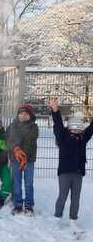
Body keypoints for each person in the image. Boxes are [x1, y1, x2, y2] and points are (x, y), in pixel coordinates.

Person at [49, 99, 93, 234]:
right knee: (62, 195)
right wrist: (55, 110)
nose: (76, 129)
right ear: (69, 127)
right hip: (65, 172)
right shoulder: (62, 136)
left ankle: (73, 220)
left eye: (78, 127)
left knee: (76, 197)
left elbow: (91, 129)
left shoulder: (82, 138)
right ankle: (57, 217)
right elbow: (57, 124)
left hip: (78, 172)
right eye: (73, 127)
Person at [6, 104, 39, 215]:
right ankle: (18, 204)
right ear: (18, 115)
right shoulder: (12, 126)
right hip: (16, 160)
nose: (23, 116)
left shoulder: (33, 127)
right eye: (21, 114)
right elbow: (8, 140)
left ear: (30, 115)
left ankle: (29, 205)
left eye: (26, 114)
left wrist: (24, 156)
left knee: (29, 183)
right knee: (17, 182)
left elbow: (29, 141)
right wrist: (15, 149)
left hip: (28, 160)